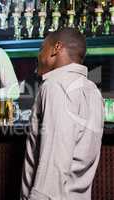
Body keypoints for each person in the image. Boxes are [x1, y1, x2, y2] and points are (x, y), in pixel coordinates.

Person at [21, 27, 104, 200]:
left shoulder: (55, 86)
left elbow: (53, 168)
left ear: (56, 48)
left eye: (41, 48)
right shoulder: (94, 92)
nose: (38, 55)